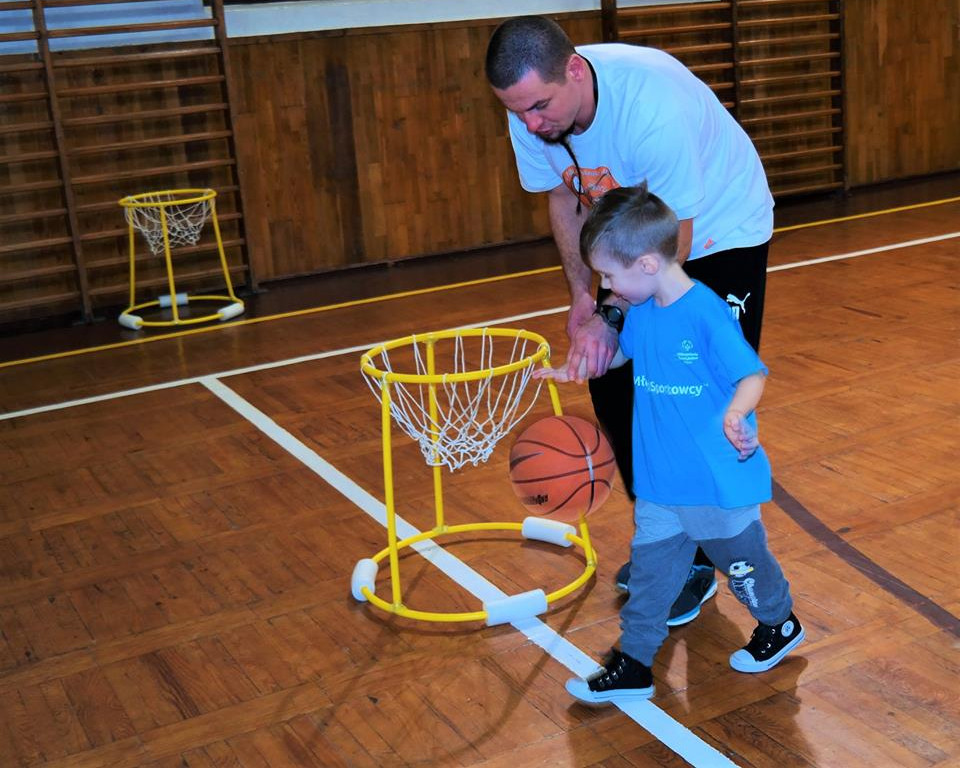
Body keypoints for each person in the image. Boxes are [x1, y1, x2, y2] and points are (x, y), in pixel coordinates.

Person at [485, 16, 774, 625]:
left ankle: (711, 555)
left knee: (692, 393)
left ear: (574, 70)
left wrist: (615, 312)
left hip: (717, 234)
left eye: (539, 107)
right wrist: (584, 302)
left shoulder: (652, 105)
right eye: (517, 113)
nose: (531, 124)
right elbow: (565, 196)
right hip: (627, 244)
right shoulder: (530, 114)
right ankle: (674, 551)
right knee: (611, 379)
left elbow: (674, 244)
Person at [535, 183, 803, 703]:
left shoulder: (704, 313)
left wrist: (735, 412)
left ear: (649, 264)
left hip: (712, 481)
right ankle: (633, 662)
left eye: (610, 275)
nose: (608, 287)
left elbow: (752, 374)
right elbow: (620, 357)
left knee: (744, 567)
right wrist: (579, 366)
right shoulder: (646, 310)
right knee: (652, 578)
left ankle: (779, 621)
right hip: (660, 479)